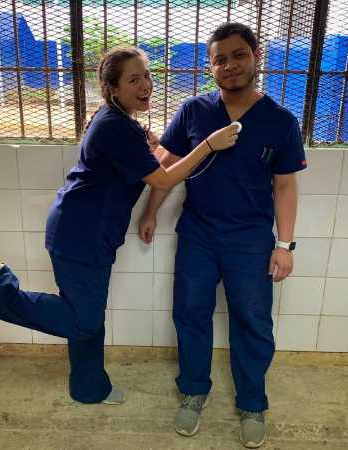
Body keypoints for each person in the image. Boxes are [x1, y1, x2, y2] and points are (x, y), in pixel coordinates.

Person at [0, 47, 238, 406]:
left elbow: (145, 168)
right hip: (81, 235)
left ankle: (90, 388)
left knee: (84, 312)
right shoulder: (116, 126)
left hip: (85, 232)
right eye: (133, 79)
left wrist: (150, 148)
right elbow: (162, 179)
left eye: (146, 75)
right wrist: (208, 145)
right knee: (84, 321)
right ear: (113, 88)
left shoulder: (119, 121)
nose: (146, 85)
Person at [138, 23, 306, 448]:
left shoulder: (281, 122)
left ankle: (252, 403)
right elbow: (168, 166)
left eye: (238, 55)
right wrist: (150, 211)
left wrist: (284, 246)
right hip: (198, 233)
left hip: (250, 239)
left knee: (252, 319)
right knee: (190, 312)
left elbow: (285, 186)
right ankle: (194, 391)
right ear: (210, 66)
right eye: (220, 59)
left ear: (256, 57)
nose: (229, 65)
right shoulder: (194, 111)